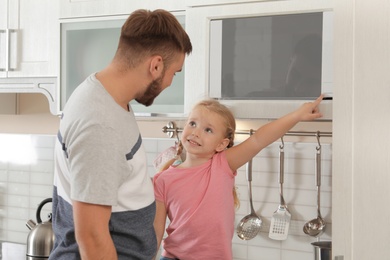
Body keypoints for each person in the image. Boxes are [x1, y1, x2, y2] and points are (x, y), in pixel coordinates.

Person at [50, 9, 192, 260]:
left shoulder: (108, 97)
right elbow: (92, 237)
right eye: (175, 72)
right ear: (156, 65)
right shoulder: (100, 124)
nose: (171, 81)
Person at [153, 95, 323, 260]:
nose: (196, 132)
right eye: (192, 123)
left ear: (222, 144)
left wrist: (297, 115)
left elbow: (259, 139)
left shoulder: (222, 164)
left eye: (208, 130)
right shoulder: (162, 180)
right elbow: (155, 232)